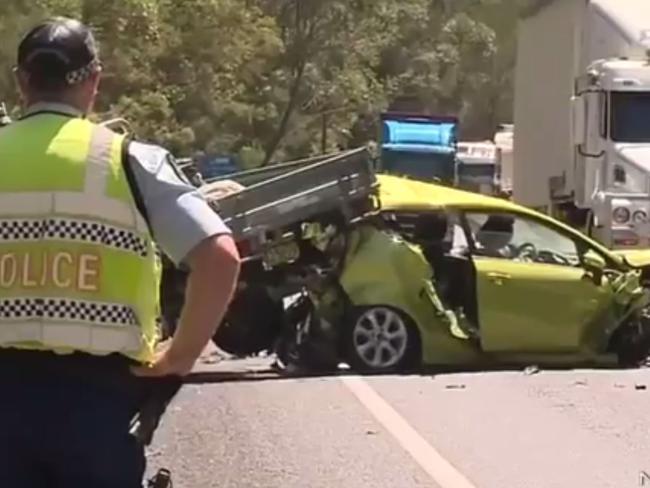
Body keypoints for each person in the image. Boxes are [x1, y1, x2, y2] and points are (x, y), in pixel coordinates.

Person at [0, 16, 241, 488]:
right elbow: (220, 257)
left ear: (21, 81)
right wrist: (180, 355)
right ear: (93, 80)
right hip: (97, 405)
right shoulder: (131, 161)